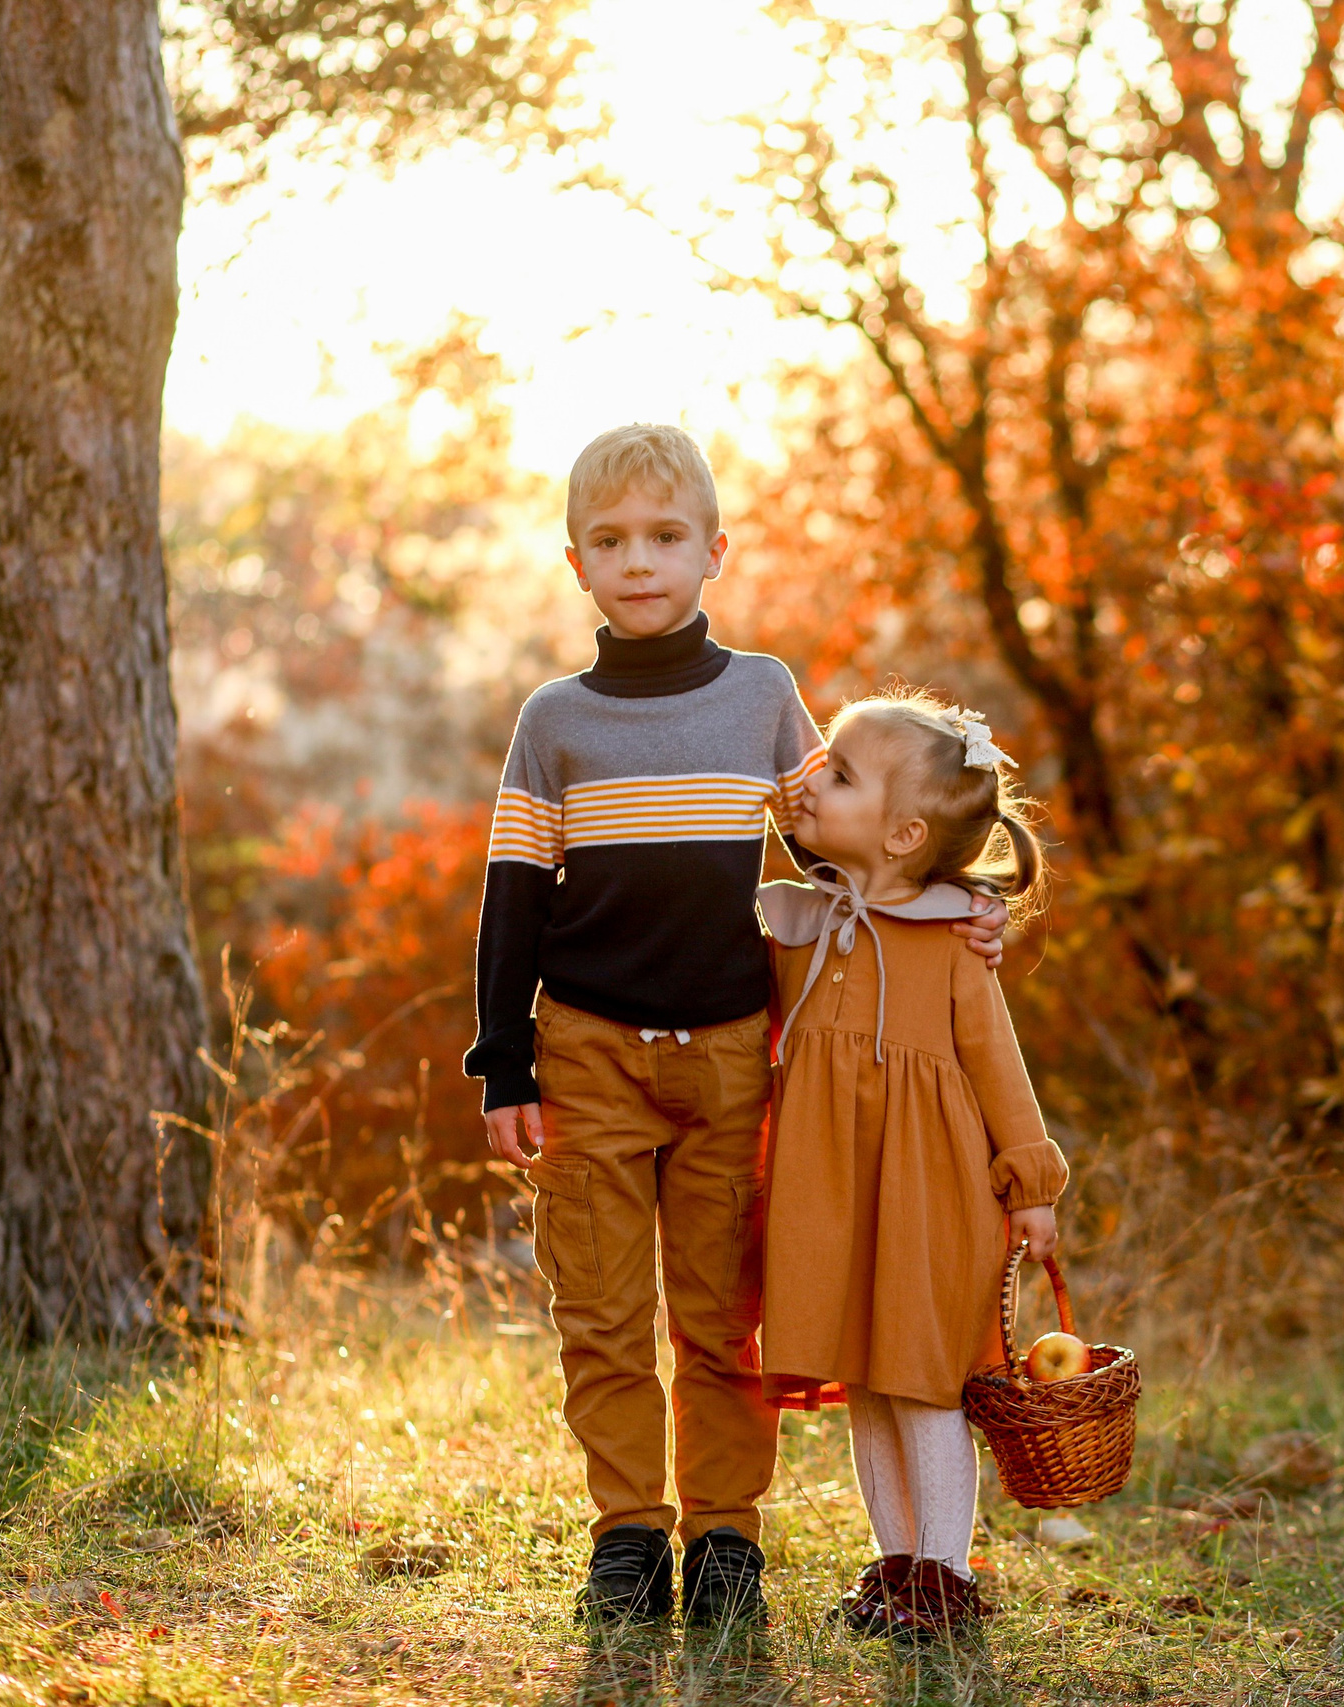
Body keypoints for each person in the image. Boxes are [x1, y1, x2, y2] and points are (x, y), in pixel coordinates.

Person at [462, 425, 1005, 1627]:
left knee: (719, 1319)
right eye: (610, 542)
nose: (638, 561)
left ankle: (723, 1541)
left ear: (714, 550)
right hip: (587, 1050)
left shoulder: (762, 696)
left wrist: (960, 904)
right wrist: (503, 1062)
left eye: (663, 537)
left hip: (726, 1060)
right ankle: (627, 1540)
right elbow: (510, 899)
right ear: (575, 563)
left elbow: (864, 833)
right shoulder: (554, 721)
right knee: (600, 1315)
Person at [754, 690, 1069, 1640]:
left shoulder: (953, 939)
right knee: (868, 1382)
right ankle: (895, 1568)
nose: (815, 781)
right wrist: (804, 793)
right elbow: (780, 818)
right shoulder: (806, 924)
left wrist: (1032, 1182)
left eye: (839, 771)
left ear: (903, 835)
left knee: (925, 1381)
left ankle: (944, 1577)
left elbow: (997, 1063)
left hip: (932, 1195)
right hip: (832, 1197)